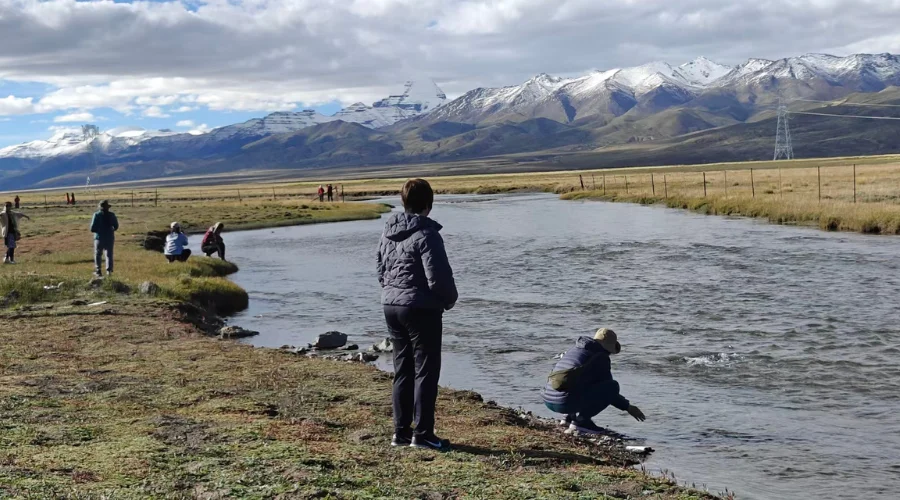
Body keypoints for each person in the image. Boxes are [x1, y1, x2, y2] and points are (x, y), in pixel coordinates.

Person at [377, 178, 458, 450]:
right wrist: (448, 301)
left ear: (403, 202)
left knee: (403, 370)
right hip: (421, 308)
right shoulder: (427, 235)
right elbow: (438, 279)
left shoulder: (387, 233)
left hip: (391, 305)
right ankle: (423, 434)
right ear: (428, 204)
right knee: (426, 371)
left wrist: (392, 292)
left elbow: (381, 270)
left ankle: (401, 433)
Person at [542, 328, 646, 435]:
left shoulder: (574, 350)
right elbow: (610, 392)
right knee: (613, 386)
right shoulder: (600, 357)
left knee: (580, 380)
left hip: (548, 398)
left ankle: (568, 418)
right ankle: (581, 422)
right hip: (564, 403)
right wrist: (627, 407)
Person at [90, 200, 118, 276]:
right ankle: (109, 271)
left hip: (99, 237)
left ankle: (98, 271)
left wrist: (98, 230)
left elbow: (92, 228)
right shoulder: (112, 215)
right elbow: (116, 226)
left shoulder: (96, 215)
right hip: (109, 237)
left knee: (98, 254)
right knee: (109, 254)